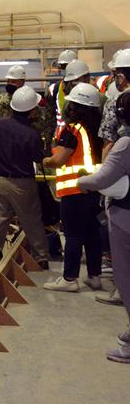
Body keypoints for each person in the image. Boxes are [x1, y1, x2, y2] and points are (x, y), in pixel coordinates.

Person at [77, 90, 130, 363]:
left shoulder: (125, 144)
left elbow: (103, 179)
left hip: (125, 218)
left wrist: (81, 181)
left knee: (126, 279)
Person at [42, 82, 104, 292]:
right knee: (92, 234)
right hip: (94, 189)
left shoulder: (72, 130)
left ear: (74, 107)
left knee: (73, 235)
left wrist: (46, 161)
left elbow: (59, 159)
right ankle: (95, 276)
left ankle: (69, 279)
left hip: (74, 190)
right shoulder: (98, 128)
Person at [0, 86, 49, 268]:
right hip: (23, 184)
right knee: (31, 220)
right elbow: (37, 157)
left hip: (0, 180)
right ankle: (40, 258)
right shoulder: (31, 133)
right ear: (32, 110)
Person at [95, 49, 130, 305]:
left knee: (118, 235)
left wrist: (103, 180)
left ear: (120, 75)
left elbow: (108, 142)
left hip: (122, 176)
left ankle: (122, 290)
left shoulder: (116, 101)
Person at [47, 58, 92, 133]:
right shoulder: (56, 89)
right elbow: (50, 118)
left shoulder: (93, 92)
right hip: (64, 133)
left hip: (85, 133)